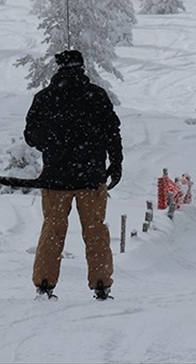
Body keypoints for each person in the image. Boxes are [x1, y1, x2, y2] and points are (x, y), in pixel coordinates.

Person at [25, 49, 123, 301]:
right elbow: (113, 132)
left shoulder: (45, 98)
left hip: (55, 179)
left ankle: (45, 285)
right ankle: (101, 285)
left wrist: (54, 140)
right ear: (82, 68)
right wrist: (116, 161)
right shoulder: (97, 96)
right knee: (95, 231)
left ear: (58, 69)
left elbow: (31, 136)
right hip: (91, 177)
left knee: (52, 230)